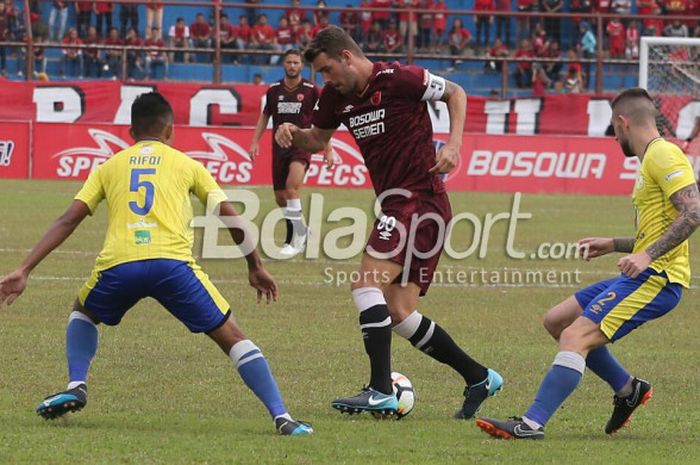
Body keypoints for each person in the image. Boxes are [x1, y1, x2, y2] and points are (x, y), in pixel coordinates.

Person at [0, 92, 313, 437]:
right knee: (232, 336)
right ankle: (283, 417)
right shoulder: (187, 164)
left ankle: (77, 383)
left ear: (131, 132)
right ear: (170, 131)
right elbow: (230, 216)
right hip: (173, 266)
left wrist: (25, 269)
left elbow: (67, 220)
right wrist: (254, 265)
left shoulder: (109, 166)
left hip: (120, 266)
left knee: (83, 312)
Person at [274, 26, 503, 419]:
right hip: (399, 205)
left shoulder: (400, 79)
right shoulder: (335, 97)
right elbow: (317, 139)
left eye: (328, 70)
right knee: (399, 311)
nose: (325, 80)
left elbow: (456, 93)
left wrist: (454, 144)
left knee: (366, 286)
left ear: (346, 57)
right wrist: (293, 133)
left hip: (419, 200)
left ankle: (381, 390)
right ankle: (479, 376)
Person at [476, 87, 700, 440]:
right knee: (557, 320)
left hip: (659, 277)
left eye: (613, 129)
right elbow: (657, 229)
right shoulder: (651, 160)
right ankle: (628, 390)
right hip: (647, 269)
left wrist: (646, 255)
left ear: (622, 122)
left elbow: (694, 211)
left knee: (574, 335)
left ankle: (531, 424)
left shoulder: (664, 155)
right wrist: (614, 244)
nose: (614, 137)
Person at [248, 49, 325, 256]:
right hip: (279, 147)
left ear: (302, 66)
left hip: (302, 145)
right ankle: (303, 231)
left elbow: (324, 121)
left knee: (292, 188)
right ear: (284, 64)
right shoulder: (274, 90)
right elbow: (265, 117)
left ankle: (294, 240)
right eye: (289, 62)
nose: (292, 66)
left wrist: (328, 147)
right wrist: (255, 141)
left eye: (296, 63)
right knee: (280, 197)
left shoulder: (311, 90)